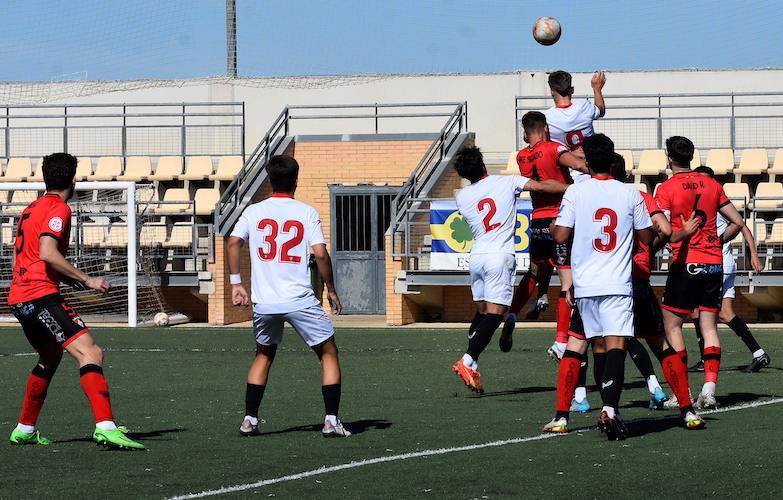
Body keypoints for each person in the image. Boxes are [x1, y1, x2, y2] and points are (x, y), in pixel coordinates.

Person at [8, 152, 144, 450]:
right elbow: (47, 252)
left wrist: (71, 281)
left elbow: (34, 257)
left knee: (50, 357)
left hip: (20, 298)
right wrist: (88, 279)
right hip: (39, 295)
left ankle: (25, 428)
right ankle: (106, 427)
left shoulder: (32, 208)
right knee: (91, 353)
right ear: (73, 179)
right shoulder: (58, 209)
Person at [542, 134, 656, 440]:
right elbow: (647, 238)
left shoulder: (576, 192)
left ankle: (561, 416)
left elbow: (561, 235)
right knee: (616, 345)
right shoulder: (630, 193)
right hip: (617, 283)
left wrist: (554, 227)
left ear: (587, 162)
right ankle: (609, 409)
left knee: (577, 345)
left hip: (585, 285)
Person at [227, 155, 350, 437]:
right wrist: (331, 289)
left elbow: (234, 242)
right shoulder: (305, 212)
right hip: (299, 300)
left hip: (265, 302)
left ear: (270, 180)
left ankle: (249, 419)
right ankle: (331, 420)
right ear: (296, 180)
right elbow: (320, 253)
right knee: (328, 353)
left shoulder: (253, 212)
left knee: (264, 355)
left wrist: (236, 283)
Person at [450, 146, 568, 394]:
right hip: (499, 256)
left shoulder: (462, 196)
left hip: (477, 256)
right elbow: (540, 187)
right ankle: (468, 360)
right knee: (497, 313)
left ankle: (473, 364)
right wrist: (571, 188)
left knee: (482, 313)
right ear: (483, 164)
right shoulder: (507, 182)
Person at [566, 153, 671, 414]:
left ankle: (580, 400)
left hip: (602, 278)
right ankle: (668, 393)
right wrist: (651, 249)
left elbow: (565, 234)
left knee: (586, 341)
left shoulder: (583, 194)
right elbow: (664, 230)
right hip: (635, 276)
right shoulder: (638, 195)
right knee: (644, 339)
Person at [655, 136, 748, 411]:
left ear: (669, 158)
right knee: (709, 326)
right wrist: (718, 241)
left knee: (671, 324)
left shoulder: (667, 187)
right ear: (691, 157)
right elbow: (738, 222)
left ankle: (680, 392)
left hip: (686, 263)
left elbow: (664, 231)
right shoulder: (711, 184)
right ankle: (709, 389)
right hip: (713, 264)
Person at [500, 111, 587, 360]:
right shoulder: (554, 148)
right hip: (561, 217)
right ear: (546, 128)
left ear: (526, 133)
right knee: (567, 278)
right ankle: (561, 340)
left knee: (535, 270)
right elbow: (578, 165)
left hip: (537, 217)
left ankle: (512, 314)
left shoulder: (521, 156)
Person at [688, 166, 770, 373]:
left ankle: (706, 360)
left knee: (698, 312)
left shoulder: (716, 204)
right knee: (725, 313)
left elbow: (742, 226)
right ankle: (759, 354)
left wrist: (754, 254)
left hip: (717, 264)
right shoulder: (701, 203)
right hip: (722, 264)